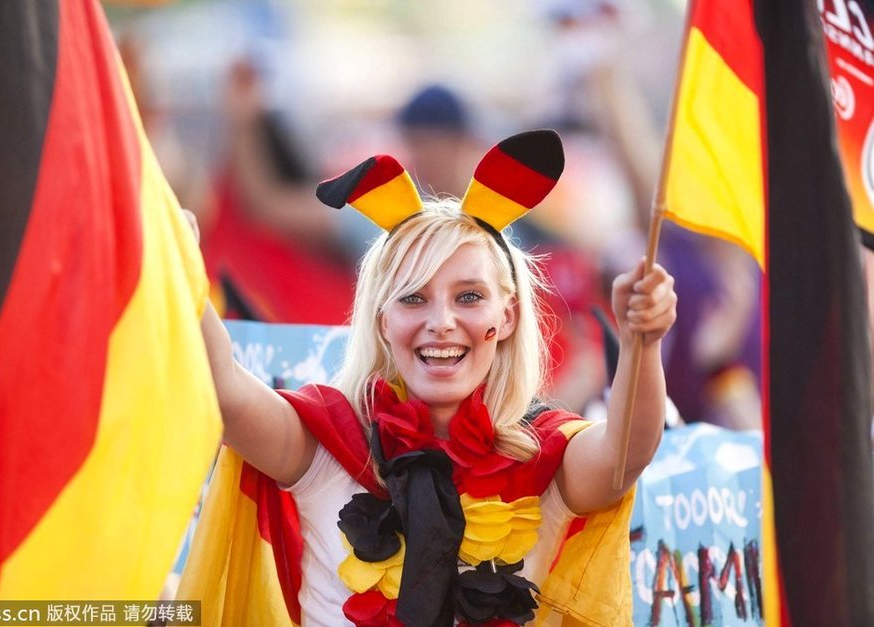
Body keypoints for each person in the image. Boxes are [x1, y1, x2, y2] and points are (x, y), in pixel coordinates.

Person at [184, 130, 676, 626]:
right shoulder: (326, 440)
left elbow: (625, 454)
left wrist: (642, 341)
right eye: (413, 298)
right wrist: (178, 270)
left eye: (468, 297)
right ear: (382, 320)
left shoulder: (546, 457)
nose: (440, 321)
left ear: (506, 317)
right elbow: (223, 389)